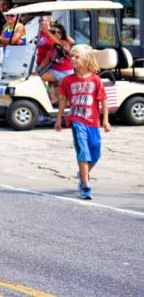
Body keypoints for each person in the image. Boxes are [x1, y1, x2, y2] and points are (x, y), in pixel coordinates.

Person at [55, 44, 111, 200]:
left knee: (96, 152)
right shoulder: (67, 80)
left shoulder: (95, 80)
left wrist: (105, 121)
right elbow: (63, 100)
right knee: (83, 151)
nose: (72, 59)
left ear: (87, 59)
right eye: (71, 56)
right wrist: (59, 119)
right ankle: (85, 185)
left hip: (93, 122)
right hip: (76, 120)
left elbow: (104, 100)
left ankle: (82, 174)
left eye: (77, 56)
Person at [39, 23, 74, 105]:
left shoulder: (65, 43)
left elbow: (60, 44)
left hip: (66, 72)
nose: (53, 34)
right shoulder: (53, 46)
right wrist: (38, 70)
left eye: (55, 32)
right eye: (52, 32)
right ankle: (52, 97)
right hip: (55, 71)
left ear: (60, 34)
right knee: (41, 78)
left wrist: (47, 32)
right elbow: (46, 59)